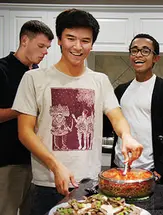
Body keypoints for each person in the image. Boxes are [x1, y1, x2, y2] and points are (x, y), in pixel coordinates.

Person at [12, 9, 143, 215]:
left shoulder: (99, 80)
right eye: (71, 38)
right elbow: (25, 132)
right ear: (60, 41)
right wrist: (55, 166)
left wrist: (126, 136)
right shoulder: (34, 79)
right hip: (47, 183)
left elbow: (116, 116)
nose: (77, 46)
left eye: (85, 40)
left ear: (92, 44)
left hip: (88, 183)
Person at [108, 33, 163, 184]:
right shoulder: (120, 91)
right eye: (134, 50)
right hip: (119, 168)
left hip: (149, 172)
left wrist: (159, 172)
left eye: (145, 51)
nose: (138, 55)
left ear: (156, 58)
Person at [0, 20, 54, 215]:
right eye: (41, 46)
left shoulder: (38, 75)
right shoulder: (2, 69)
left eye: (47, 48)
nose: (45, 52)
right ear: (24, 40)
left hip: (36, 161)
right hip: (8, 162)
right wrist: (24, 107)